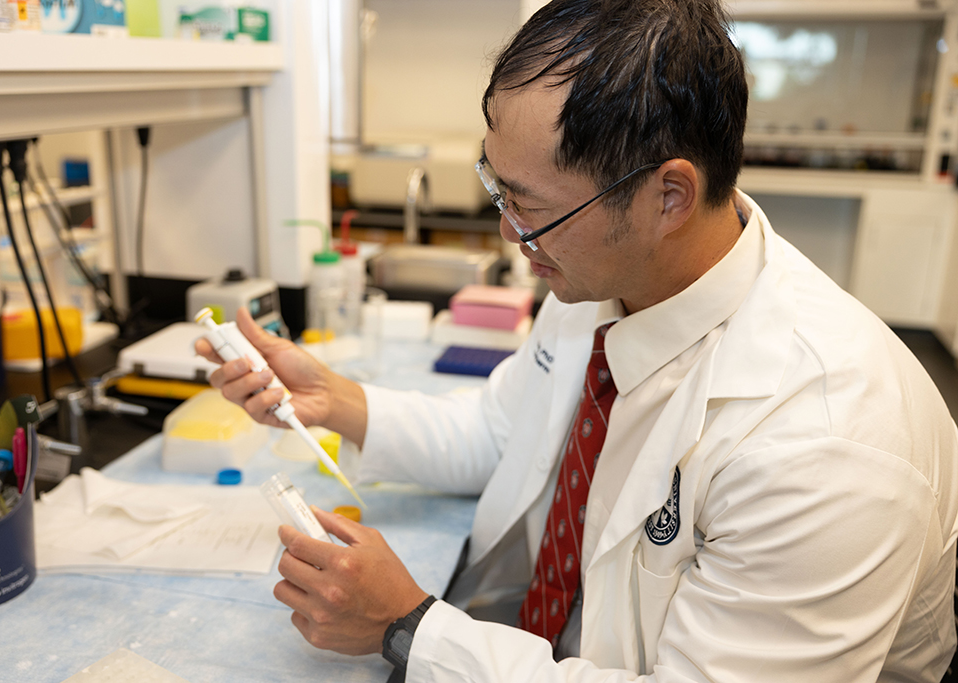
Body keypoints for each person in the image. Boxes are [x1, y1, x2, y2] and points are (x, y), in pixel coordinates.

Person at [196, 0, 958, 680]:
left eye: (529, 206)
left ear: (669, 196)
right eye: (498, 187)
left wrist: (408, 626)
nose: (509, 231)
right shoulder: (598, 279)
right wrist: (333, 399)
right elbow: (504, 433)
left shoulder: (825, 441)